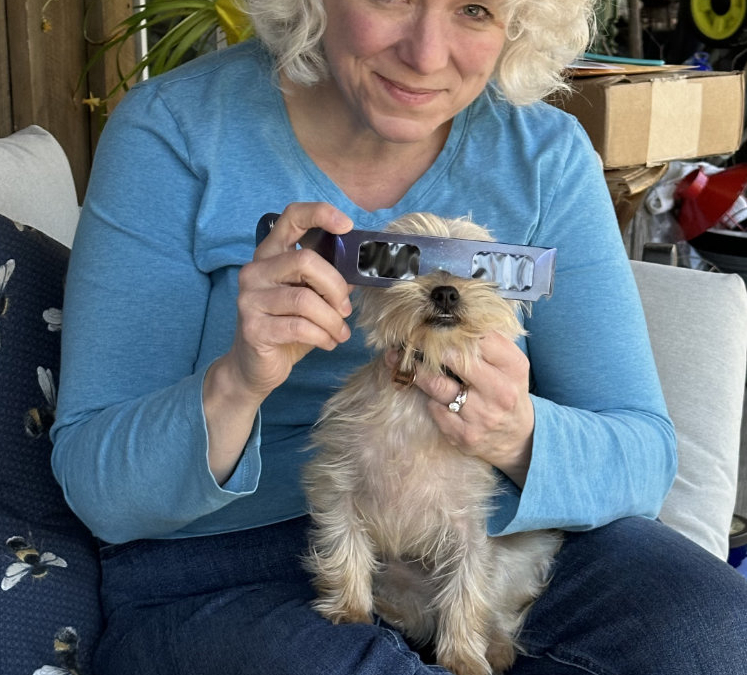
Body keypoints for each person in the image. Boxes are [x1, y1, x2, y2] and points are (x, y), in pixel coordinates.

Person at [51, 0, 747, 672]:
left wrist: (513, 431)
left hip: (490, 553)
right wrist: (237, 380)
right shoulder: (174, 131)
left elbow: (643, 457)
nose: (424, 54)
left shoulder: (544, 156)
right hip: (226, 565)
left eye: (474, 8)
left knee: (717, 636)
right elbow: (98, 488)